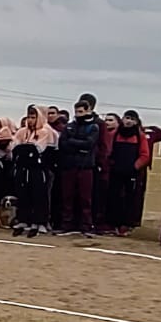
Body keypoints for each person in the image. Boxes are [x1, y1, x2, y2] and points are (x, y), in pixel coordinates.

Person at [56, 95, 102, 236]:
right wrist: (77, 145)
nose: (78, 114)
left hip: (85, 166)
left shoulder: (93, 127)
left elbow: (89, 144)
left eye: (81, 111)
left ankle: (86, 225)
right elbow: (63, 143)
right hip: (69, 166)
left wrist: (73, 142)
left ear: (88, 111)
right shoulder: (70, 126)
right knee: (67, 197)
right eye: (76, 112)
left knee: (85, 198)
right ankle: (67, 224)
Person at [11, 105, 57, 236]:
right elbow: (14, 148)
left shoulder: (45, 132)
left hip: (38, 169)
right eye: (29, 117)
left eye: (33, 117)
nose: (30, 120)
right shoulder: (22, 132)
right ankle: (23, 219)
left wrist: (26, 149)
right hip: (23, 168)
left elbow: (39, 150)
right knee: (23, 194)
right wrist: (26, 150)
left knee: (39, 195)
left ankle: (40, 221)